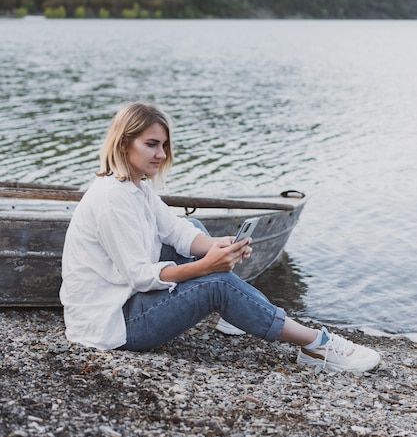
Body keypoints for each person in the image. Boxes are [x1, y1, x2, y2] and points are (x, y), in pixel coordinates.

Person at [60, 102, 380, 373]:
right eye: (151, 144)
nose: (161, 154)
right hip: (112, 325)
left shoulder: (135, 187)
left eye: (164, 145)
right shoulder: (111, 199)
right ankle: (316, 344)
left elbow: (177, 231)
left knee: (197, 228)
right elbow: (140, 276)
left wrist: (219, 246)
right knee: (217, 285)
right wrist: (207, 268)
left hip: (125, 302)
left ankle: (239, 314)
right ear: (123, 144)